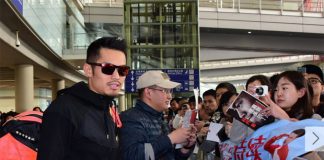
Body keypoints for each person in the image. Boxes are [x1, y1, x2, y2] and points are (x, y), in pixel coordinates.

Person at [37, 37, 130, 160]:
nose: (116, 76)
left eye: (123, 70)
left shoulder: (108, 108)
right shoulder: (63, 109)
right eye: (108, 68)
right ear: (88, 70)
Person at [119, 70, 196, 160]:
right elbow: (133, 155)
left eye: (170, 91)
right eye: (165, 91)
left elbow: (169, 156)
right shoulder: (131, 118)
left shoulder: (159, 118)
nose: (170, 96)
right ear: (148, 92)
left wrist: (185, 147)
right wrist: (171, 138)